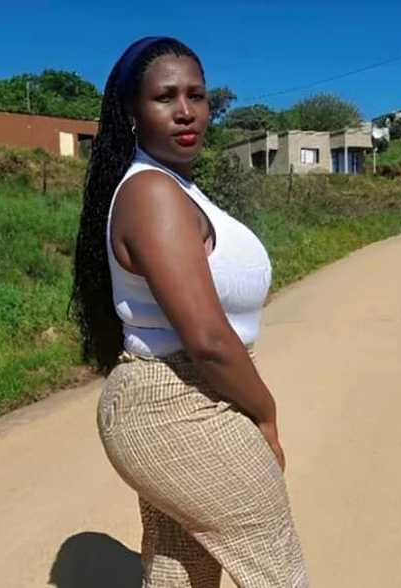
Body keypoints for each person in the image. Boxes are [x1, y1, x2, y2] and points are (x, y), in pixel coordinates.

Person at [69, 37, 308, 587]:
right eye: (165, 97)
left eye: (196, 96)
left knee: (182, 570)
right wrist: (266, 415)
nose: (185, 111)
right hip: (175, 405)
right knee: (277, 570)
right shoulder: (152, 192)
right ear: (131, 111)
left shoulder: (176, 188)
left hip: (176, 401)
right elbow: (206, 338)